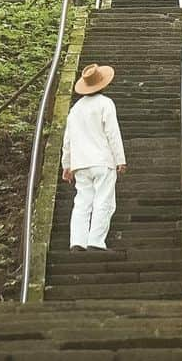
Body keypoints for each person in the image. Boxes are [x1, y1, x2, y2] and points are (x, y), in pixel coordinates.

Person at [61, 63, 127, 252]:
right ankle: (96, 241)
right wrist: (120, 160)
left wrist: (67, 165)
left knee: (82, 201)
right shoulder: (105, 104)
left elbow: (68, 139)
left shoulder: (75, 109)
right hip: (102, 160)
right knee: (103, 200)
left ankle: (77, 241)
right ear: (103, 84)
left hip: (80, 163)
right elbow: (112, 133)